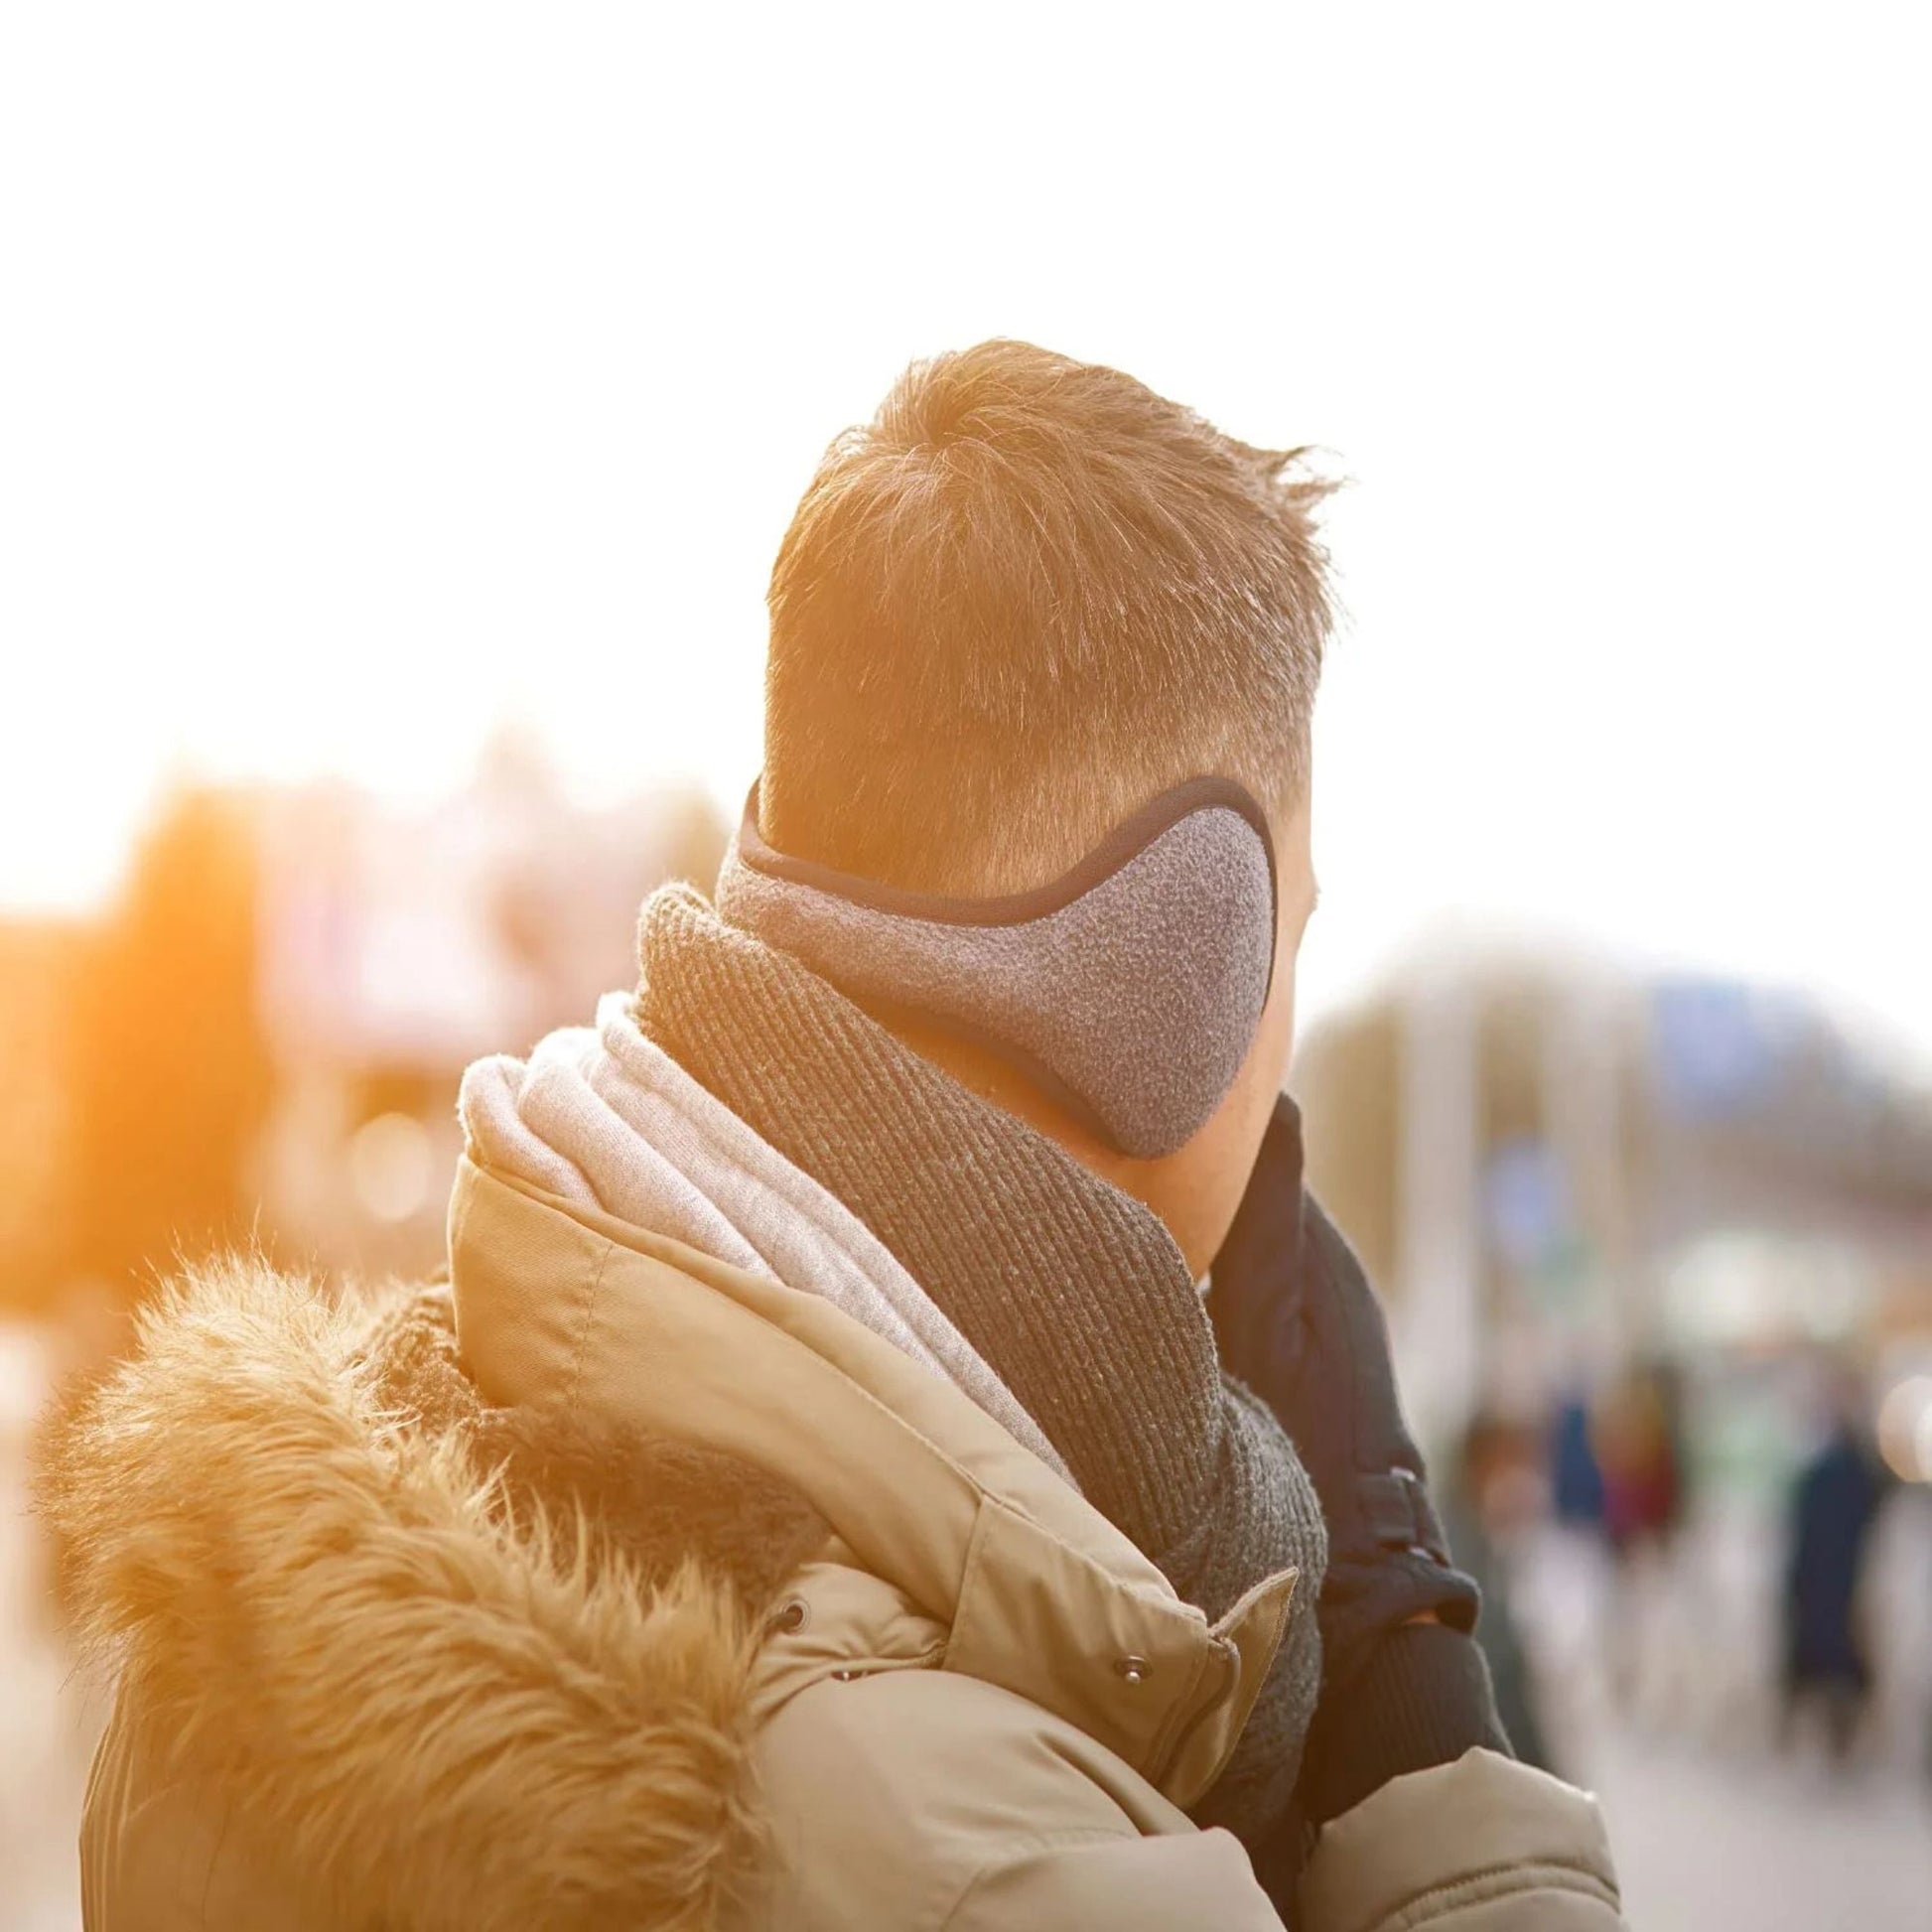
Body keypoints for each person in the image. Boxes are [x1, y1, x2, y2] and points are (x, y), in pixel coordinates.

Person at [41, 343, 1622, 1929]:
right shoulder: (974, 1848)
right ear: (1175, 957)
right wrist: (1417, 1700)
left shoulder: (297, 1593)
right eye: (1286, 939)